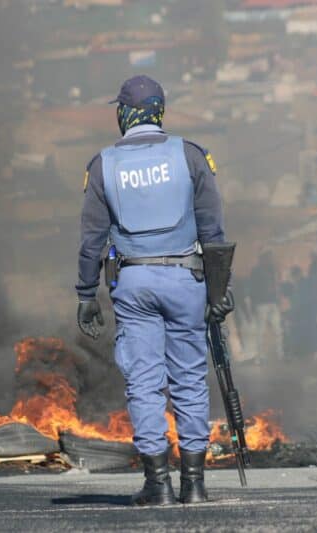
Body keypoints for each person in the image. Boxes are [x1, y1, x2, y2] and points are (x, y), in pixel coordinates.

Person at [75, 75, 232, 505]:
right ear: (160, 111)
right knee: (189, 380)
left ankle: (158, 485)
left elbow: (92, 238)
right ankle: (195, 485)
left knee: (144, 383)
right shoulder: (191, 155)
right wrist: (219, 290)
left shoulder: (103, 165)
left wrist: (87, 293)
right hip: (187, 280)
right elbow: (213, 230)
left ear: (124, 113)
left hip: (135, 281)